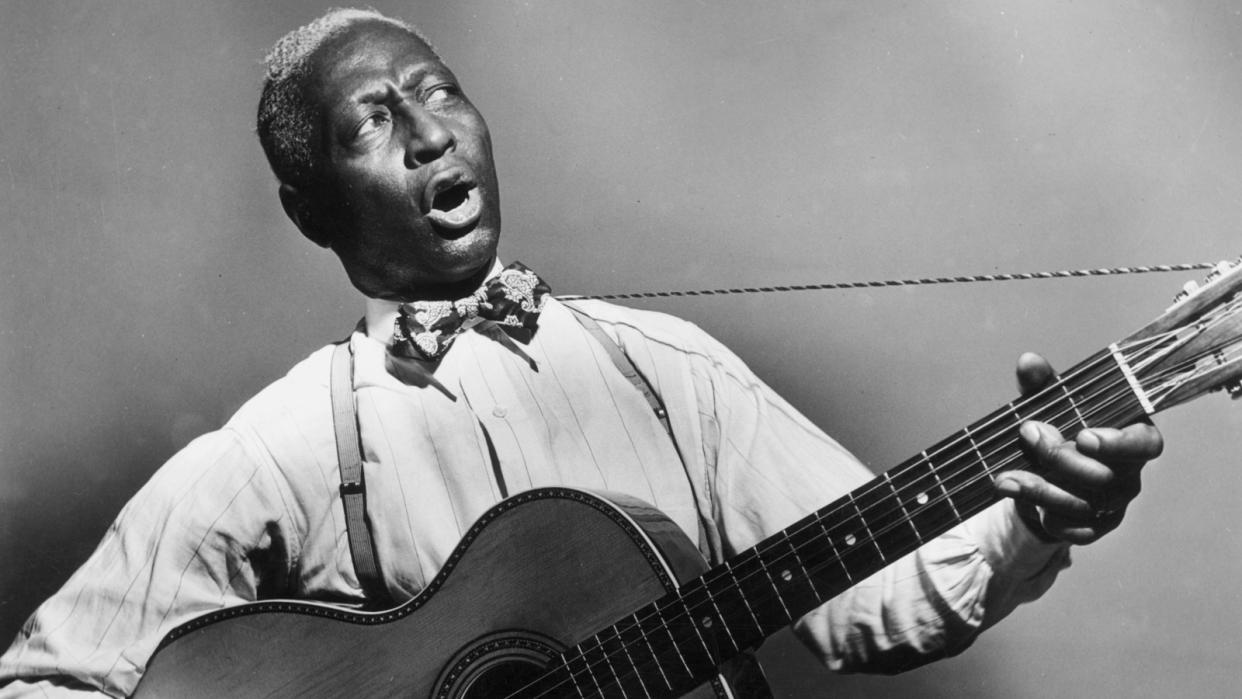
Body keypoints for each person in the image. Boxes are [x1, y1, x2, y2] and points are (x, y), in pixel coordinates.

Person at [0, 8, 1163, 697]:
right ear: (312, 211)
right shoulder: (287, 448)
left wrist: (1038, 514)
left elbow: (884, 602)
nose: (427, 136)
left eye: (438, 93)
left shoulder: (671, 373)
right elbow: (48, 681)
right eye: (372, 125)